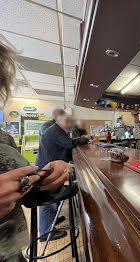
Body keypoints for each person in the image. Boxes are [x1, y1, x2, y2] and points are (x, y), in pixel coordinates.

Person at [0, 41, 73, 261]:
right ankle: (46, 232)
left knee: (47, 205)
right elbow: (69, 145)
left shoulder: (4, 138)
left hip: (14, 254)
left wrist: (46, 179)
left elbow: (30, 192)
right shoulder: (51, 130)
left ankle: (48, 225)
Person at [36, 114, 89, 240]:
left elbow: (66, 145)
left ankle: (52, 220)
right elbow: (69, 144)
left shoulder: (56, 129)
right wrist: (85, 139)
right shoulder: (55, 130)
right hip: (47, 168)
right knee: (47, 197)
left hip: (51, 167)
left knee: (54, 193)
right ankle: (45, 232)